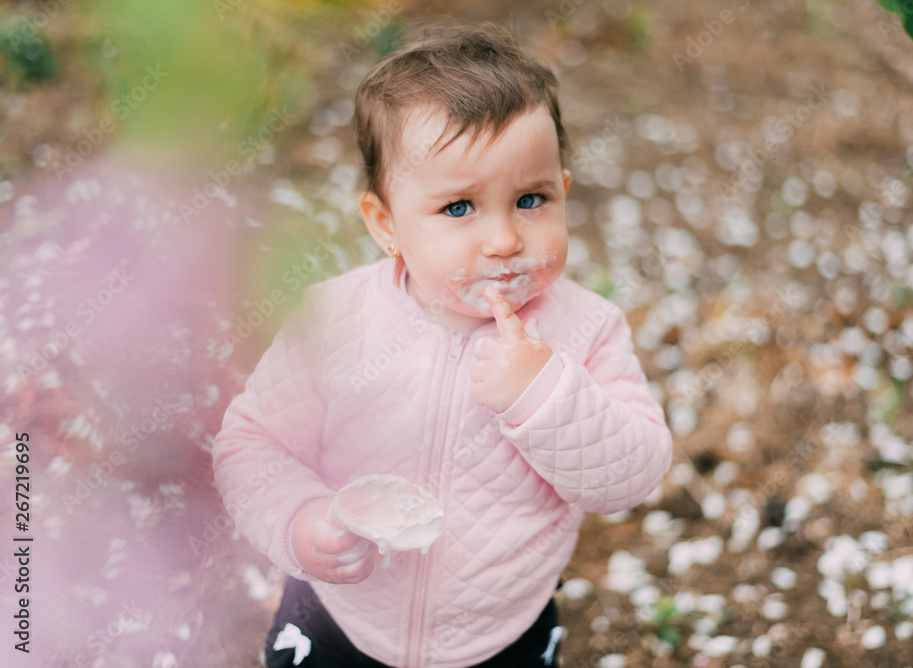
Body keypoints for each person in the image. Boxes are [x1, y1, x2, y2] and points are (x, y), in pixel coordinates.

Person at [212, 22, 672, 668]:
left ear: (564, 192)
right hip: (342, 620)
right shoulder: (334, 321)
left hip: (501, 634)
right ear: (386, 224)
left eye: (531, 199)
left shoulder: (586, 331)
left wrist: (544, 395)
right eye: (459, 208)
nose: (505, 240)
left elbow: (634, 473)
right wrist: (298, 519)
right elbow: (253, 443)